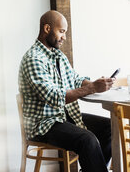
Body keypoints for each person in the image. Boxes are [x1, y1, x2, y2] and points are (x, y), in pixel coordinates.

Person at [18, 10, 113, 172]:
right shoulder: (33, 59)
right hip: (43, 124)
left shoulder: (57, 55)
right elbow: (54, 97)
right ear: (47, 29)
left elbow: (75, 79)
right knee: (87, 140)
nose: (64, 37)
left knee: (110, 128)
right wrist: (91, 88)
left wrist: (97, 83)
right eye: (61, 31)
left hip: (62, 116)